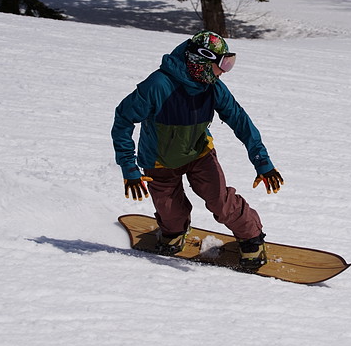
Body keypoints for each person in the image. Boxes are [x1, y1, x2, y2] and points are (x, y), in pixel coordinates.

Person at [111, 31, 283, 269]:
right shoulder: (158, 86)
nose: (224, 71)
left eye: (229, 63)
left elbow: (241, 121)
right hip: (160, 160)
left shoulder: (213, 88)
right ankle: (174, 231)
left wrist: (263, 163)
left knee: (220, 202)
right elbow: (122, 121)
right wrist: (129, 168)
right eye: (222, 64)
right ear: (201, 61)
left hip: (199, 154)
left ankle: (252, 238)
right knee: (170, 212)